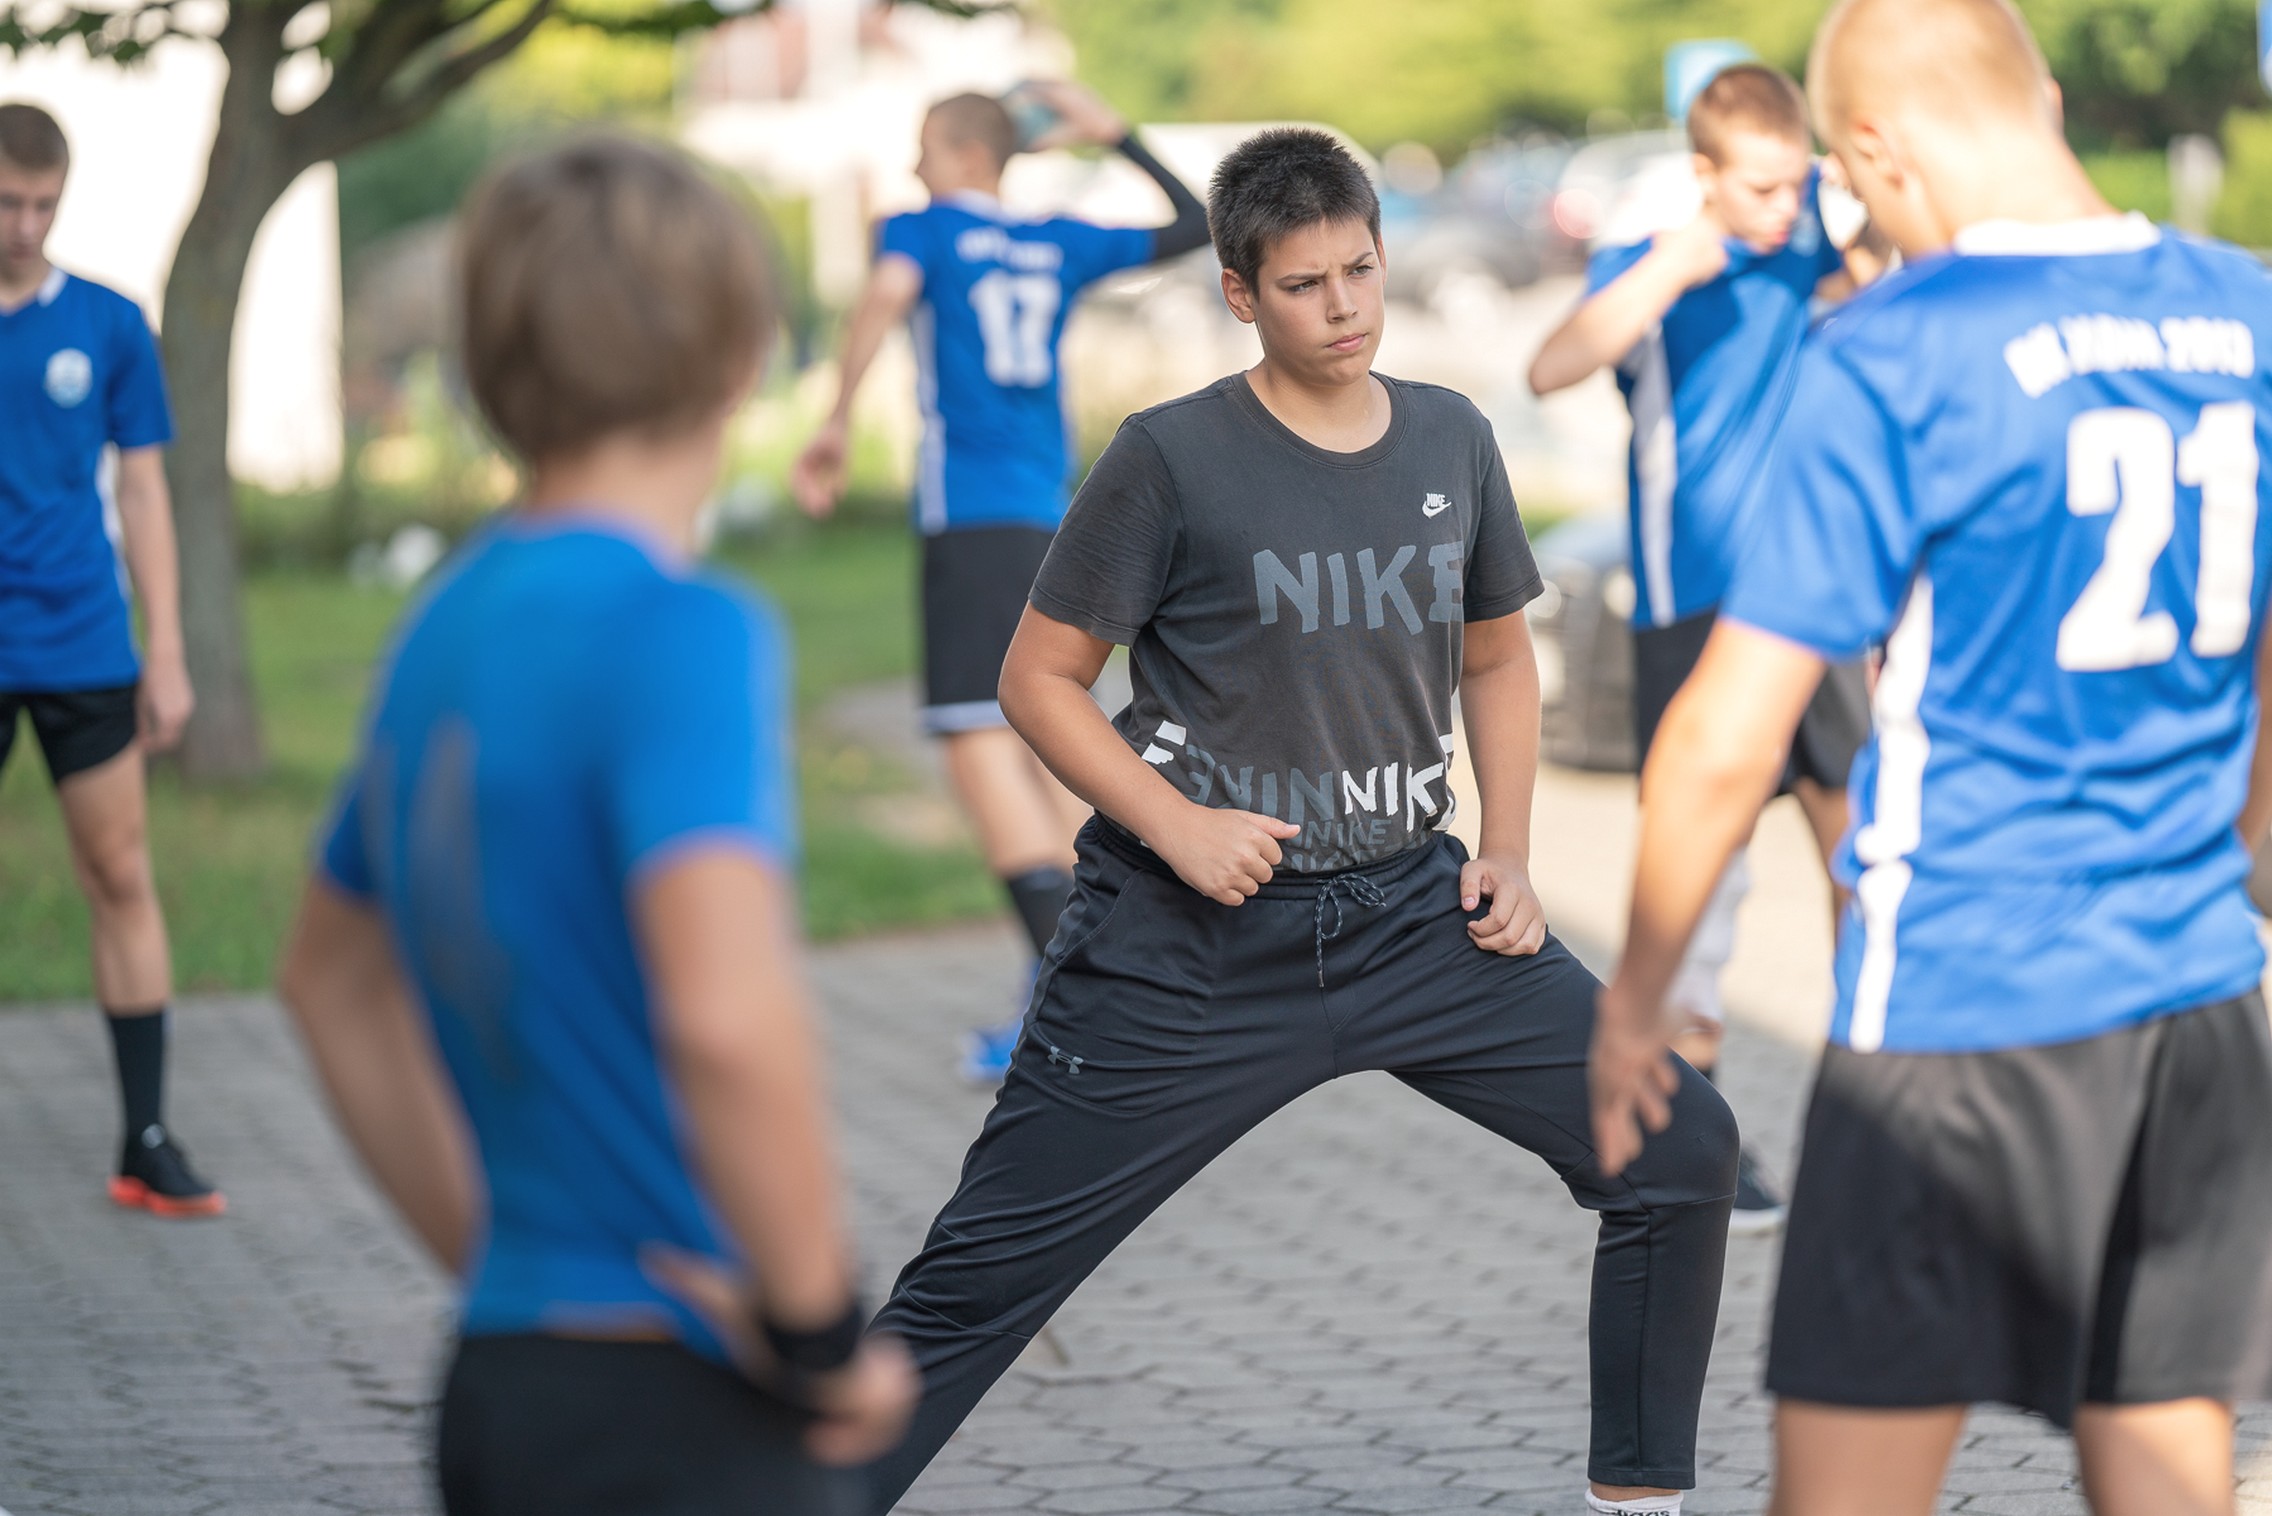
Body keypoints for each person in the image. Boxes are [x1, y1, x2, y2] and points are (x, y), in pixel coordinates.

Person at [863, 127, 1739, 1516]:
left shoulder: (1450, 434)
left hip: (1412, 917)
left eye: (1362, 271)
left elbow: (1498, 656)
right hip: (1187, 943)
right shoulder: (1171, 457)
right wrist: (1178, 825)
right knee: (973, 1285)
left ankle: (1640, 1503)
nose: (1344, 308)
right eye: (1304, 285)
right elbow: (1036, 680)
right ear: (1238, 294)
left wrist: (1509, 850)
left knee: (1681, 1146)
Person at [1590, 2, 2272, 1511]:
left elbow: (1723, 729)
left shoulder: (1896, 344)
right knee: (2166, 1459)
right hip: (2200, 999)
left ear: (1871, 153)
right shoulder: (2252, 313)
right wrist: (2237, 866)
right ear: (2039, 91)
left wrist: (1637, 998)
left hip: (1962, 1006)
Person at [275, 136, 915, 1516]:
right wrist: (818, 1335)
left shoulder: (440, 626)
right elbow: (727, 1021)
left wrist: (500, 1258)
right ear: (740, 353)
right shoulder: (682, 630)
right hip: (680, 1407)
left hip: (508, 1390)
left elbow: (323, 979)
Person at [790, 83, 1211, 1083]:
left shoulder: (921, 227)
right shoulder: (1056, 238)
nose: (912, 166)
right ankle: (1084, 986)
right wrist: (1116, 133)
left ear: (947, 146)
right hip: (1056, 520)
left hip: (972, 520)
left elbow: (888, 295)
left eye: (918, 147)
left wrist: (836, 415)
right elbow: (1196, 225)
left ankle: (1091, 1004)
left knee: (980, 745)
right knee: (1051, 743)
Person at [1528, 62, 1886, 1234]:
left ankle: (1869, 1119)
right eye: (1759, 189)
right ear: (1704, 177)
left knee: (1862, 861)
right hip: (1692, 611)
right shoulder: (1658, 265)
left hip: (1815, 603)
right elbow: (1551, 366)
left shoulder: (1798, 247)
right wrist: (1674, 261)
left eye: (1795, 186)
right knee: (1702, 889)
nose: (1782, 209)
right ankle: (1699, 1138)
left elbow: (1876, 231)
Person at [0, 102, 217, 1217]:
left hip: (83, 641)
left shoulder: (109, 324)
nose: (25, 225)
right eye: (6, 202)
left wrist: (166, 651)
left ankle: (144, 1138)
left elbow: (143, 489)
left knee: (120, 875)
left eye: (42, 205)